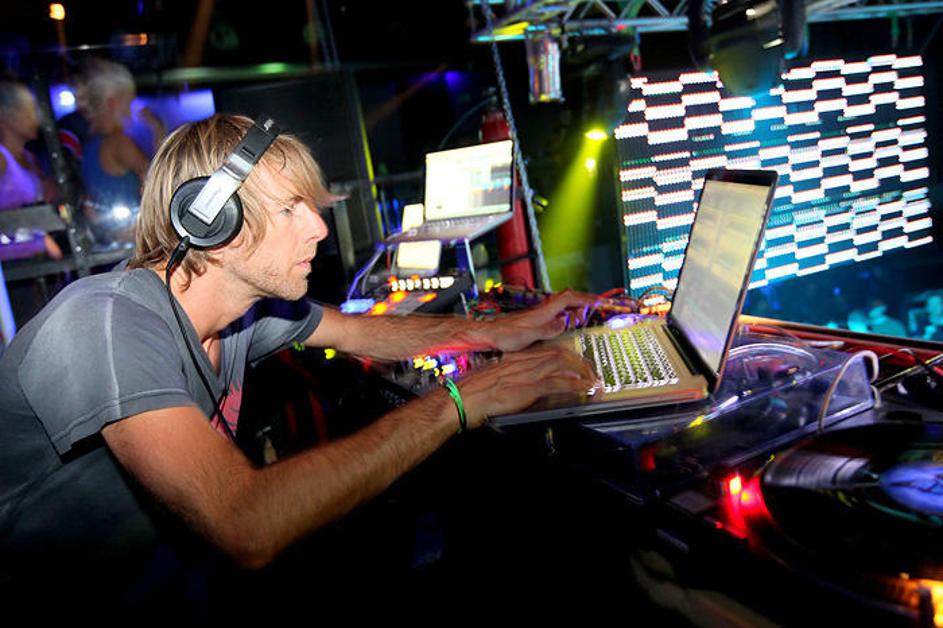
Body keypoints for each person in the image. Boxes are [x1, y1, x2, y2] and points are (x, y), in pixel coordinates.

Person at [0, 114, 597, 614]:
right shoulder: (104, 324)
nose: (318, 228)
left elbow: (366, 332)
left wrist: (500, 331)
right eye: (291, 209)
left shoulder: (242, 312)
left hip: (154, 576)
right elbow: (246, 523)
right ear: (210, 222)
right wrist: (463, 400)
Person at [76, 58, 164, 246]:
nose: (132, 110)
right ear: (112, 103)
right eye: (129, 102)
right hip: (134, 239)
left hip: (112, 241)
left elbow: (90, 207)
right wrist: (158, 130)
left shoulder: (89, 148)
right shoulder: (119, 143)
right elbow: (158, 180)